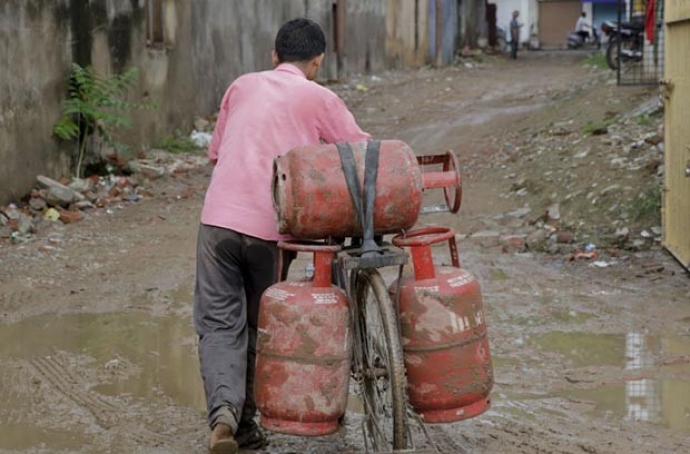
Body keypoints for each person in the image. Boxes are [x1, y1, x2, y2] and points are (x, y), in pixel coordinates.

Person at [194, 18, 371, 454]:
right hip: (272, 230)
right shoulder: (320, 96)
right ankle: (248, 427)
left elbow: (215, 152)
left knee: (218, 325)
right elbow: (361, 152)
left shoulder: (241, 86)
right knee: (259, 323)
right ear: (316, 63)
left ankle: (223, 416)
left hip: (217, 223)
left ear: (273, 56)